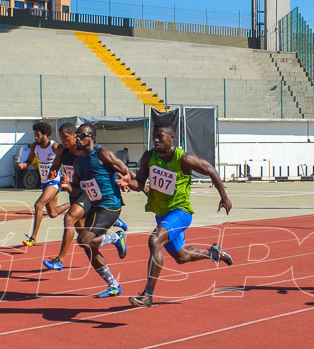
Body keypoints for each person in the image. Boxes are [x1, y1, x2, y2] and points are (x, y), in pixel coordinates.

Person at [126, 113, 233, 308]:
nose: (156, 140)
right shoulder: (149, 157)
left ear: (172, 137)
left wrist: (224, 197)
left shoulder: (183, 158)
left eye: (160, 137)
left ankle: (147, 295)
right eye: (154, 137)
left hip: (180, 212)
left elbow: (210, 169)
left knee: (154, 240)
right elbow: (140, 183)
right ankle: (213, 253)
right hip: (162, 214)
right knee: (181, 257)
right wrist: (128, 182)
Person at [41, 121, 125, 271]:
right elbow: (56, 164)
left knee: (69, 218)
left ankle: (60, 259)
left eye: (66, 138)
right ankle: (110, 275)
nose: (63, 141)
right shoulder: (61, 150)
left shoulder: (84, 151)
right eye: (60, 138)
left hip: (87, 191)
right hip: (75, 189)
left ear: (75, 136)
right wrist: (53, 171)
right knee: (84, 238)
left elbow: (104, 167)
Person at [69, 123, 131, 297]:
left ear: (92, 137)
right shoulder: (78, 162)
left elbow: (125, 170)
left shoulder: (102, 153)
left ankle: (116, 236)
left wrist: (138, 184)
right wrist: (66, 186)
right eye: (76, 135)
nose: (77, 138)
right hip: (95, 205)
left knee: (84, 240)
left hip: (110, 204)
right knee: (88, 246)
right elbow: (77, 190)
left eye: (81, 135)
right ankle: (113, 285)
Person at [17, 121, 70, 247]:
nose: (36, 137)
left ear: (45, 134)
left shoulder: (54, 146)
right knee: (53, 213)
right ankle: (75, 203)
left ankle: (33, 238)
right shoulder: (35, 147)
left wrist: (66, 176)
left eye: (38, 135)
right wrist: (23, 165)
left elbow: (65, 160)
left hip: (55, 181)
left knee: (38, 204)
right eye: (35, 135)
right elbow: (29, 161)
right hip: (44, 182)